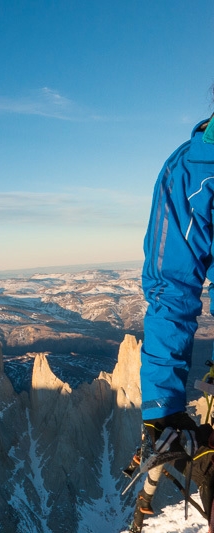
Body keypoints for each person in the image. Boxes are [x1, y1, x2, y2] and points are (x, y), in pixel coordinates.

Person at [138, 115, 214, 529]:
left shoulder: (193, 169)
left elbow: (172, 291)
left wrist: (164, 408)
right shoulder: (195, 169)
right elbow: (174, 290)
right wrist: (163, 407)